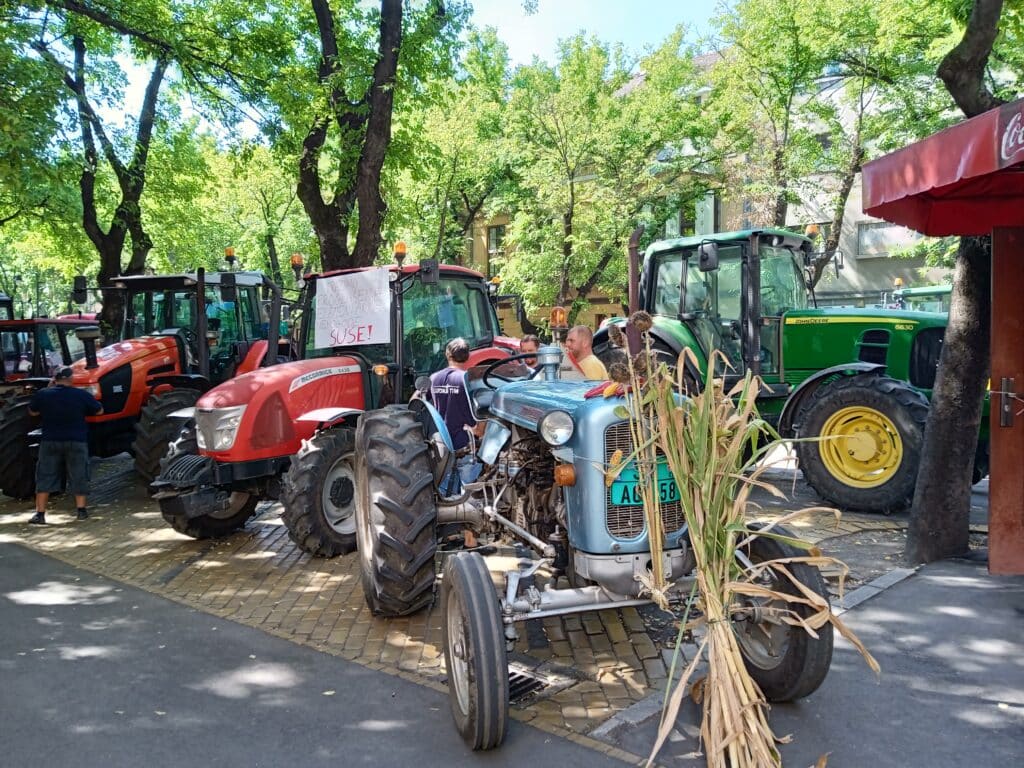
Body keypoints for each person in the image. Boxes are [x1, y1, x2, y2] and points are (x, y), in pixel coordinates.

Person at [27, 366, 103, 524]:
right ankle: (81, 511)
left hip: (50, 441)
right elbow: (99, 411)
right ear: (71, 378)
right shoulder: (81, 394)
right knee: (78, 474)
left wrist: (48, 389)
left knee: (45, 475)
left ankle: (40, 514)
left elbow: (33, 412)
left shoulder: (43, 395)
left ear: (55, 379)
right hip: (76, 440)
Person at [429, 337, 482, 452]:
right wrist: (479, 431)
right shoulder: (467, 379)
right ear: (468, 356)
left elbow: (420, 402)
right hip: (464, 440)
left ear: (447, 355)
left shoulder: (433, 378)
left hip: (440, 441)